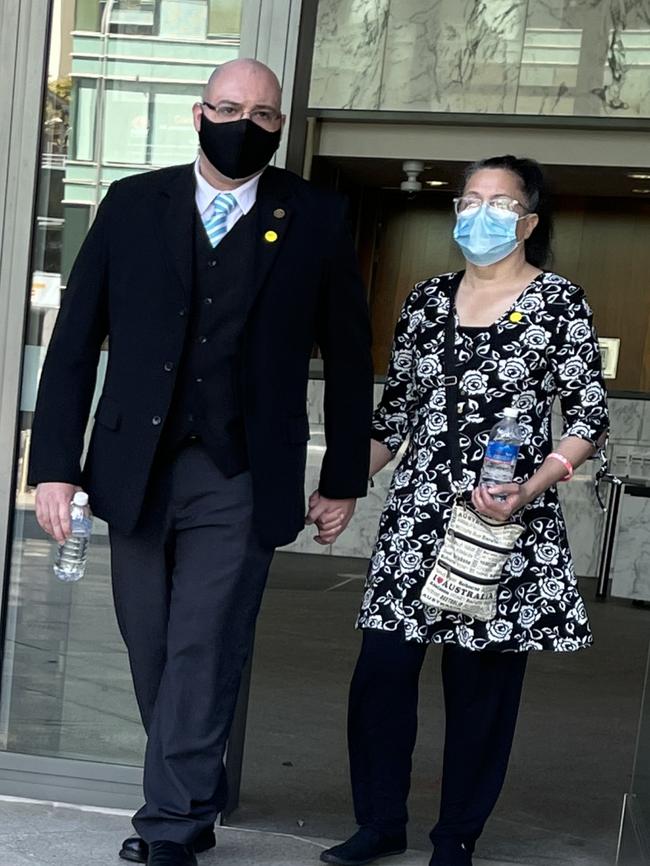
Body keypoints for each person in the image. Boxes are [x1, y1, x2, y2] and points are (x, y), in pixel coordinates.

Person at [29, 59, 373, 866]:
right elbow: (76, 341)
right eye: (227, 108)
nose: (242, 124)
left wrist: (344, 477)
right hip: (134, 465)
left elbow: (352, 358)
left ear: (279, 126)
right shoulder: (132, 203)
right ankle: (194, 790)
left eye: (261, 114)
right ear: (197, 113)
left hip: (242, 471)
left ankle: (171, 826)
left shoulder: (316, 216)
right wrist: (55, 465)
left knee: (203, 644)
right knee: (150, 643)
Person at [320, 155, 609, 866]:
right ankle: (380, 821)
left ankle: (456, 837)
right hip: (417, 519)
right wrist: (340, 484)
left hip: (503, 520)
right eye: (469, 200)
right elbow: (397, 417)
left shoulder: (559, 303)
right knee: (382, 673)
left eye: (501, 203)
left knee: (481, 688)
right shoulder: (424, 300)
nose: (481, 215)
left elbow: (588, 417)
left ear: (530, 221)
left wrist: (534, 484)